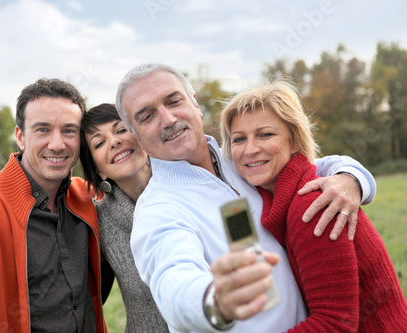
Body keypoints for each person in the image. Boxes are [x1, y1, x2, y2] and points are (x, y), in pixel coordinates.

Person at [114, 63, 377, 332]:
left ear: (195, 104)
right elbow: (173, 279)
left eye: (174, 101)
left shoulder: (242, 158)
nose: (168, 119)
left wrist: (352, 178)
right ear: (135, 135)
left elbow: (314, 167)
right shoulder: (157, 210)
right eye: (147, 116)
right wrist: (214, 300)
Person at [219, 80, 407, 332]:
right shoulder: (271, 197)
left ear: (294, 140)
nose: (250, 149)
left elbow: (335, 323)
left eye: (265, 134)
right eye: (239, 139)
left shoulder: (312, 204)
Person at [0, 78, 107, 332]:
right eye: (43, 130)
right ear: (20, 136)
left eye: (69, 130)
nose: (57, 144)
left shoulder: (89, 199)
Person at [80, 103, 169, 332]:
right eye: (99, 143)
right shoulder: (98, 222)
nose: (114, 141)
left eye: (121, 130)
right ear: (98, 170)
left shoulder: (190, 182)